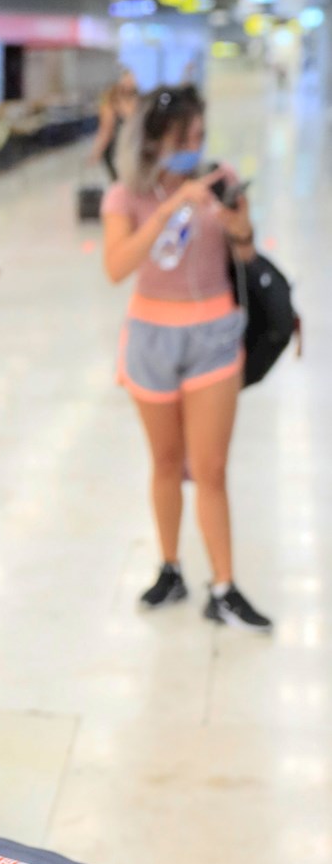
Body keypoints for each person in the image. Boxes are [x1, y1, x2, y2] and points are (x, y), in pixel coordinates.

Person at [103, 83, 271, 630]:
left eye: (200, 135)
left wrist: (240, 230)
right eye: (184, 137)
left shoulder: (219, 180)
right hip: (151, 337)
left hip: (214, 338)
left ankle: (224, 586)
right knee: (166, 463)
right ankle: (170, 567)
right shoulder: (125, 194)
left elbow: (245, 252)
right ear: (154, 140)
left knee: (212, 467)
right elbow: (115, 265)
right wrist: (171, 205)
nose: (195, 147)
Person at [92, 68, 139, 180]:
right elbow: (106, 129)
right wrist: (97, 151)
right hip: (116, 149)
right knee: (121, 183)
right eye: (128, 78)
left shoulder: (139, 99)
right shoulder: (110, 100)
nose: (130, 82)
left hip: (133, 148)